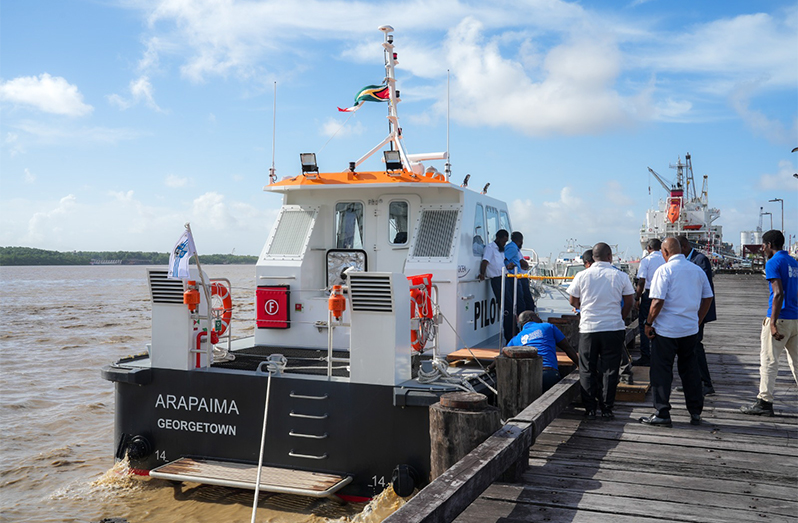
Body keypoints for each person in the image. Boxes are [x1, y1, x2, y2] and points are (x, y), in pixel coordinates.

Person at [639, 238, 713, 427]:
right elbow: (708, 297)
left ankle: (662, 412)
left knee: (661, 371)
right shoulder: (696, 269)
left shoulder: (664, 270)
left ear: (664, 252)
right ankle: (695, 412)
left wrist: (648, 323)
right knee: (690, 371)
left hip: (666, 331)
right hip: (689, 330)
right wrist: (698, 319)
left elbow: (657, 301)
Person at [568, 242, 634, 420]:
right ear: (609, 256)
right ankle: (607, 408)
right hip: (613, 327)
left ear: (593, 257)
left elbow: (572, 299)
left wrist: (582, 308)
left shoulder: (582, 275)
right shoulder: (620, 276)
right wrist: (620, 317)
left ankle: (590, 408)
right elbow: (629, 301)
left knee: (587, 368)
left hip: (589, 327)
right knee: (610, 369)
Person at [740, 230, 798, 416]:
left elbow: (778, 292)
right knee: (796, 362)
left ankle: (764, 402)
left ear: (770, 245)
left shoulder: (774, 262)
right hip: (795, 319)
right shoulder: (793, 262)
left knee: (769, 361)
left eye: (764, 245)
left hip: (780, 318)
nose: (763, 248)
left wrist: (772, 323)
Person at [677, 235, 716, 395]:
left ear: (684, 248)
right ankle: (693, 382)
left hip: (698, 312)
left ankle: (705, 383)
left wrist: (698, 317)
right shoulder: (687, 261)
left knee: (696, 347)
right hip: (689, 312)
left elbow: (704, 289)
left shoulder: (700, 260)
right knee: (690, 348)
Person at [506, 311, 578, 392]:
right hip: (548, 372)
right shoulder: (548, 326)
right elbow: (567, 348)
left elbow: (503, 353)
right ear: (532, 318)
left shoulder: (516, 339)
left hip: (527, 375)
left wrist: (490, 367)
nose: (539, 318)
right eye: (537, 316)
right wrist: (580, 365)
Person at [479, 230, 517, 343]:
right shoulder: (490, 248)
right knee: (506, 308)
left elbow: (500, 264)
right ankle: (508, 336)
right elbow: (485, 262)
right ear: (498, 238)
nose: (505, 243)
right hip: (497, 280)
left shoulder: (501, 250)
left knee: (510, 306)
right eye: (504, 241)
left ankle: (513, 332)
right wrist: (482, 273)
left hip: (504, 277)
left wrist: (509, 266)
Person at [633, 239, 665, 366]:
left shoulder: (646, 260)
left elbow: (641, 281)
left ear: (649, 247)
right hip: (663, 294)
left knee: (645, 324)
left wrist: (637, 298)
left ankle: (646, 356)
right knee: (661, 323)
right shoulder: (665, 259)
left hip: (649, 294)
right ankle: (660, 355)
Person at [504, 231, 534, 312]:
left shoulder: (514, 248)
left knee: (522, 301)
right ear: (520, 240)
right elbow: (503, 258)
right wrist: (508, 266)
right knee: (520, 302)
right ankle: (522, 321)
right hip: (513, 277)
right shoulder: (512, 248)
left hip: (517, 276)